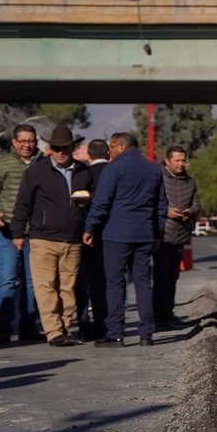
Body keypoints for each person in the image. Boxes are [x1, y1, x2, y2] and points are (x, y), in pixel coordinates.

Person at [11, 124, 94, 346]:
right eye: (57, 148)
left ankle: (65, 328)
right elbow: (22, 203)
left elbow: (92, 204)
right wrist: (17, 232)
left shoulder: (83, 171)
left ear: (73, 148)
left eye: (65, 148)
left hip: (73, 239)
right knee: (45, 286)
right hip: (42, 238)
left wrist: (88, 226)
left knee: (68, 288)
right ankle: (54, 332)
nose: (61, 152)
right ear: (50, 148)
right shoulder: (36, 171)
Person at [83, 132, 164, 347]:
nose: (109, 152)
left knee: (115, 284)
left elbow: (101, 202)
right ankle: (146, 334)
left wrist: (90, 227)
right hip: (145, 233)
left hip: (116, 235)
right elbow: (160, 205)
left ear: (121, 146)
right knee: (143, 283)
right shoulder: (153, 169)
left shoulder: (114, 169)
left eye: (111, 147)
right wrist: (157, 233)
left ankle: (116, 334)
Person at [0, 124, 43, 342]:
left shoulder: (43, 163)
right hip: (7, 232)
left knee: (32, 281)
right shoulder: (1, 164)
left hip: (35, 233)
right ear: (14, 142)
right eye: (23, 141)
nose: (27, 145)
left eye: (31, 141)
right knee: (7, 279)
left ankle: (29, 326)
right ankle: (2, 328)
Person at [154, 145, 201, 328]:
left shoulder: (189, 182)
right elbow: (150, 201)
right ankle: (158, 316)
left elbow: (197, 204)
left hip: (180, 235)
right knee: (161, 277)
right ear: (167, 161)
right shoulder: (158, 178)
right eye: (177, 160)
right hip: (162, 235)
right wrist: (167, 212)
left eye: (183, 160)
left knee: (173, 277)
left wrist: (190, 211)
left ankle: (168, 313)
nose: (181, 164)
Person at [76, 138, 112, 339]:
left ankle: (88, 323)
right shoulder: (115, 171)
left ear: (89, 155)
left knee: (89, 281)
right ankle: (113, 321)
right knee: (114, 280)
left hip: (88, 235)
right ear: (108, 153)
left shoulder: (84, 173)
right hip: (113, 234)